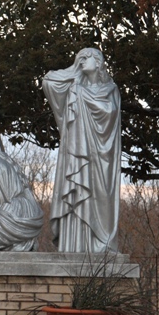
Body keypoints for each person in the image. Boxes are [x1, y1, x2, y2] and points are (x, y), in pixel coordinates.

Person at [42, 48, 121, 254]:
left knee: (100, 198)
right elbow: (48, 81)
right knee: (76, 192)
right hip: (76, 152)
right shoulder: (74, 87)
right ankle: (75, 246)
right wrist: (74, 70)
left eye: (87, 58)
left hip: (102, 156)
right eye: (80, 59)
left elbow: (110, 116)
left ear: (99, 62)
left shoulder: (111, 90)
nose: (82, 61)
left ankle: (99, 243)